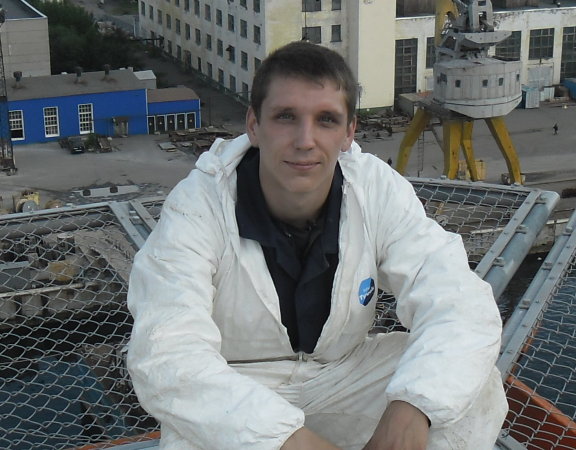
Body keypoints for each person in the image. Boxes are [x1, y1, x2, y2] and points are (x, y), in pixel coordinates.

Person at [127, 41, 507, 449]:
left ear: (348, 133)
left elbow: (458, 300)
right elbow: (169, 352)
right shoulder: (198, 207)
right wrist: (287, 440)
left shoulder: (374, 190)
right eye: (286, 117)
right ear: (254, 125)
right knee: (191, 434)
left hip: (342, 376)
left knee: (470, 391)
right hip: (236, 388)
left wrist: (414, 407)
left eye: (326, 120)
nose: (305, 140)